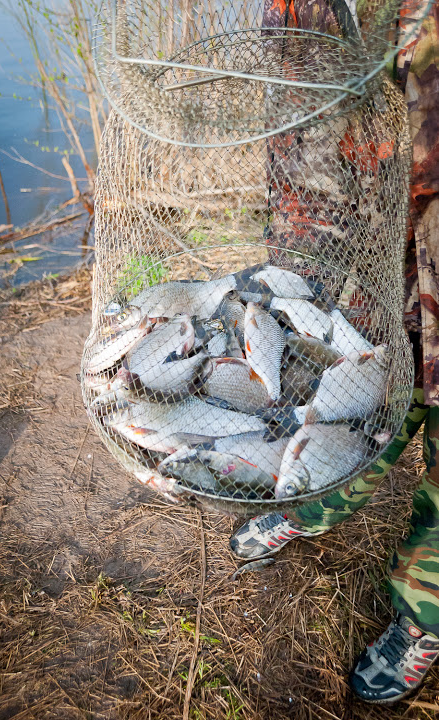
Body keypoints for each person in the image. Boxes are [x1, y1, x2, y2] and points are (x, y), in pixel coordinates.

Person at [230, 0, 439, 704]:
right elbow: (303, 135)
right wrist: (296, 286)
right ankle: (305, 501)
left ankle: (424, 619)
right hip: (388, 266)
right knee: (364, 408)